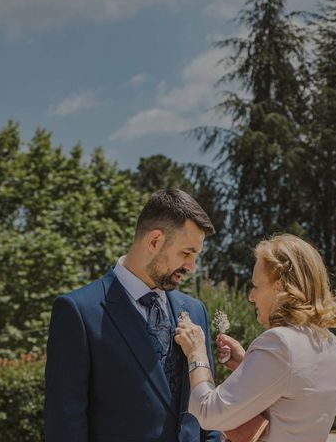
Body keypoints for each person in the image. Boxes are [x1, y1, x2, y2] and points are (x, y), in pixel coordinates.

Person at [44, 188, 221, 442]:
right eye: (186, 253)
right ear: (154, 241)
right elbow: (64, 424)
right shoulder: (78, 312)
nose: (191, 267)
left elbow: (208, 417)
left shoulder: (194, 311)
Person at [175, 234, 336, 442]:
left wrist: (197, 353)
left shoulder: (279, 343)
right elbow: (292, 393)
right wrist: (247, 365)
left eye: (256, 286)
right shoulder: (331, 345)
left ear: (281, 287)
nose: (251, 296)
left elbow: (208, 413)